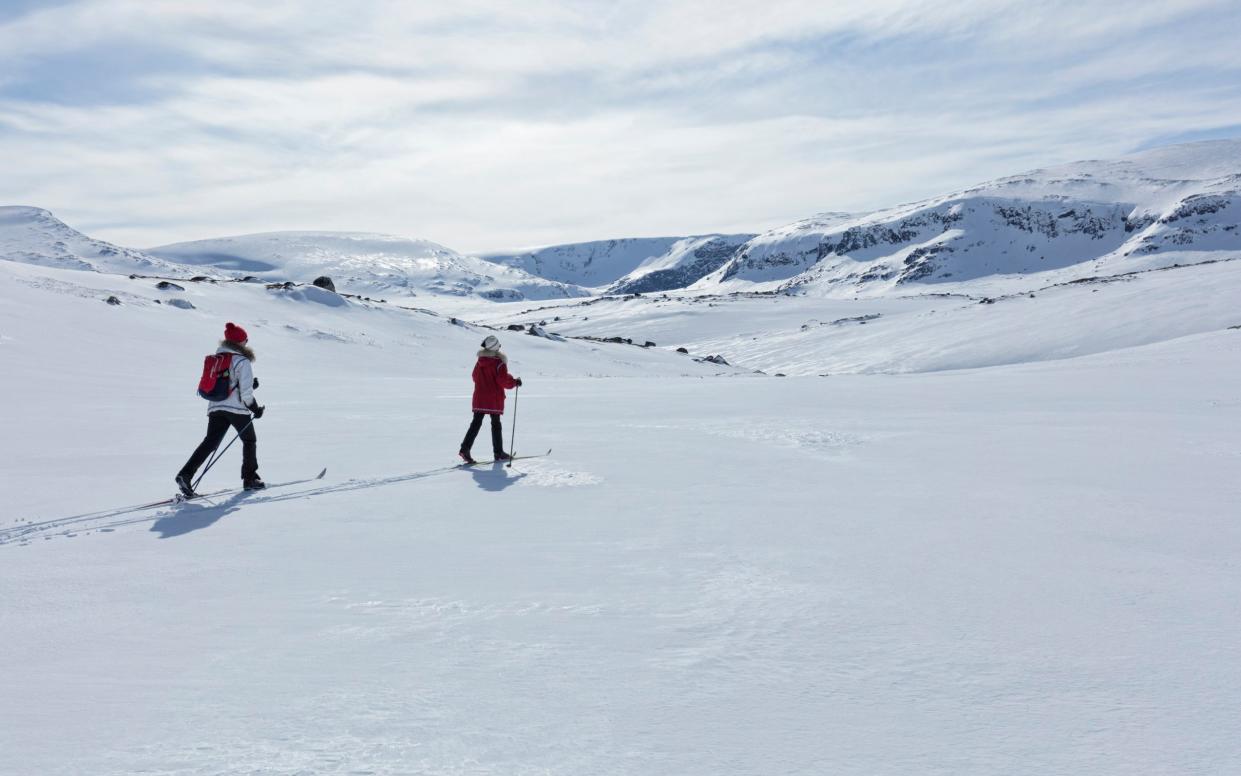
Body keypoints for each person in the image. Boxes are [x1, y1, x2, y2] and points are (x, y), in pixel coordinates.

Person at [175, 322, 266, 496]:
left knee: (210, 442)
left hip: (216, 406)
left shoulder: (218, 359)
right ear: (239, 342)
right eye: (245, 340)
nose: (246, 343)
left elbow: (230, 384)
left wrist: (249, 387)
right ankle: (250, 479)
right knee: (249, 440)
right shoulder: (242, 361)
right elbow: (245, 395)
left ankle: (185, 475)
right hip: (237, 410)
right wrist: (256, 409)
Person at [459, 335, 522, 464]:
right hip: (493, 398)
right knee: (496, 424)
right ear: (495, 347)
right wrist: (515, 382)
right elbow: (503, 380)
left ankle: (465, 449)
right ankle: (498, 452)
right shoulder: (499, 363)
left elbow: (474, 377)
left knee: (476, 423)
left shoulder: (480, 362)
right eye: (498, 345)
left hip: (480, 397)